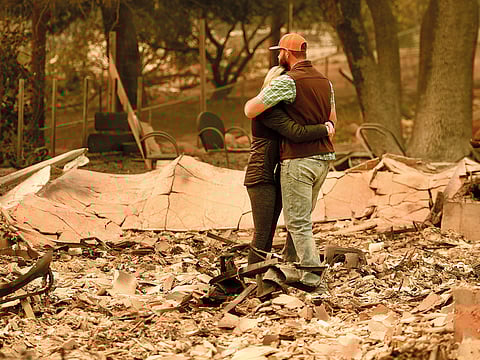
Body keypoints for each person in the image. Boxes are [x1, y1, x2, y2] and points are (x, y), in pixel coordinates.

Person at [244, 33, 337, 290]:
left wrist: (267, 95)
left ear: (287, 53)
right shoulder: (325, 82)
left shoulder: (288, 81)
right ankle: (292, 264)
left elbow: (250, 109)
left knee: (297, 222)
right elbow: (333, 120)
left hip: (299, 160)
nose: (278, 55)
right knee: (302, 217)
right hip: (324, 158)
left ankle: (311, 276)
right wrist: (326, 128)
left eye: (280, 51)